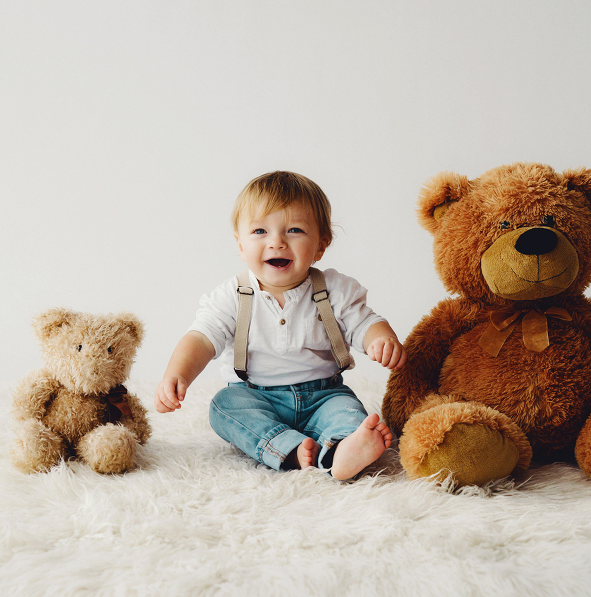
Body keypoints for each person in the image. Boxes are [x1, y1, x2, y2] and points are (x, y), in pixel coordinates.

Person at [154, 171, 406, 480]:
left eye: (294, 230)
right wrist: (177, 374)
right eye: (260, 231)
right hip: (256, 396)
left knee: (347, 411)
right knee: (224, 406)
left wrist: (380, 339)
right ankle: (290, 450)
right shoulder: (233, 295)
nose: (277, 242)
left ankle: (342, 450)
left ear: (321, 245)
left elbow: (365, 322)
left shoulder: (334, 290)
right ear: (240, 244)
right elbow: (202, 337)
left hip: (324, 395)